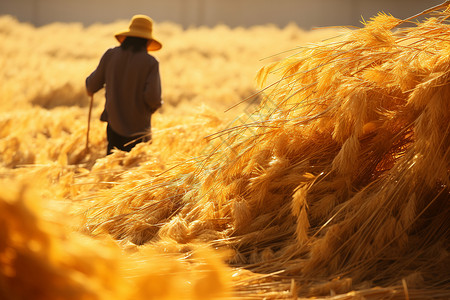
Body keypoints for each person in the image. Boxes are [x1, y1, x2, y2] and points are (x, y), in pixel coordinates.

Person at [86, 14, 163, 155]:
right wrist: (151, 108)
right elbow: (153, 98)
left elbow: (91, 85)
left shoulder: (110, 55)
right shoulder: (151, 62)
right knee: (138, 171)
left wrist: (89, 85)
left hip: (113, 126)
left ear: (128, 36)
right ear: (147, 41)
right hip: (140, 130)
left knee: (113, 170)